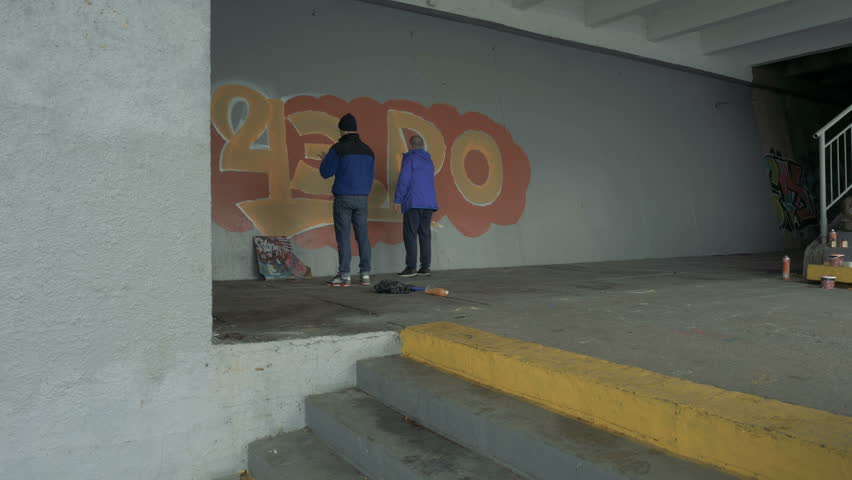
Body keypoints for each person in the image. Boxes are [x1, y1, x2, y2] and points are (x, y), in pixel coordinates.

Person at [320, 113, 375, 287]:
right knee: (363, 236)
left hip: (343, 198)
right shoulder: (368, 151)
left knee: (343, 237)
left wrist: (324, 160)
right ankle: (365, 274)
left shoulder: (338, 149)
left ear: (342, 129)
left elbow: (325, 172)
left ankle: (345, 275)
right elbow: (369, 175)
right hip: (363, 198)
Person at [394, 135, 438, 277]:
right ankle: (425, 267)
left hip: (414, 202)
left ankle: (411, 267)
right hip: (429, 203)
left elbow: (404, 180)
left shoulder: (410, 158)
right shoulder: (429, 161)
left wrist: (398, 200)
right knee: (425, 234)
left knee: (410, 234)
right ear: (423, 145)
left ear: (410, 145)